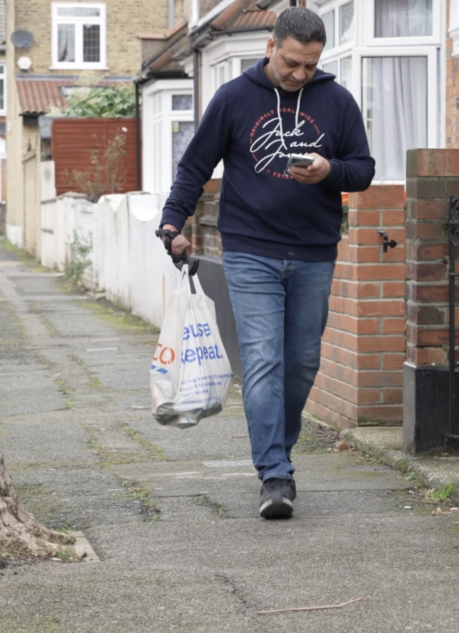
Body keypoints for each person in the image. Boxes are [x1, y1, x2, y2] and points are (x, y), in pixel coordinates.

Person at [157, 7, 375, 520]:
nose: (301, 74)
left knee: (301, 363)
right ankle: (275, 474)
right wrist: (173, 222)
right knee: (262, 360)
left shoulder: (336, 101)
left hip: (314, 251)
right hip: (250, 247)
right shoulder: (235, 98)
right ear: (271, 47)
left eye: (311, 65)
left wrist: (328, 170)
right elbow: (195, 166)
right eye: (293, 63)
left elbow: (362, 170)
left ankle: (278, 447)